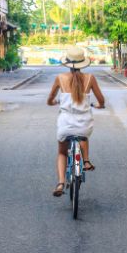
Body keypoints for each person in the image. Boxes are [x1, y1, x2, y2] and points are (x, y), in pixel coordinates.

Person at [47, 46, 105, 197]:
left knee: (61, 152)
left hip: (65, 125)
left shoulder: (60, 78)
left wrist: (53, 102)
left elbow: (50, 99)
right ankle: (85, 160)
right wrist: (99, 105)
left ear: (67, 62)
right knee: (83, 136)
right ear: (82, 63)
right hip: (84, 125)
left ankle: (60, 183)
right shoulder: (90, 78)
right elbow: (101, 100)